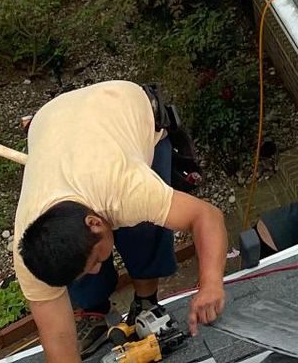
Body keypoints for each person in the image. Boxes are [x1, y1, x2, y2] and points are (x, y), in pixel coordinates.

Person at [12, 81, 228, 361]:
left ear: (95, 222)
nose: (99, 267)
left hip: (123, 106)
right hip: (53, 122)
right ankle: (94, 312)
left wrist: (211, 284)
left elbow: (206, 216)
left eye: (98, 262)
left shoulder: (127, 187)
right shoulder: (30, 252)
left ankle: (146, 302)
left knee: (143, 230)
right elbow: (57, 338)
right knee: (78, 264)